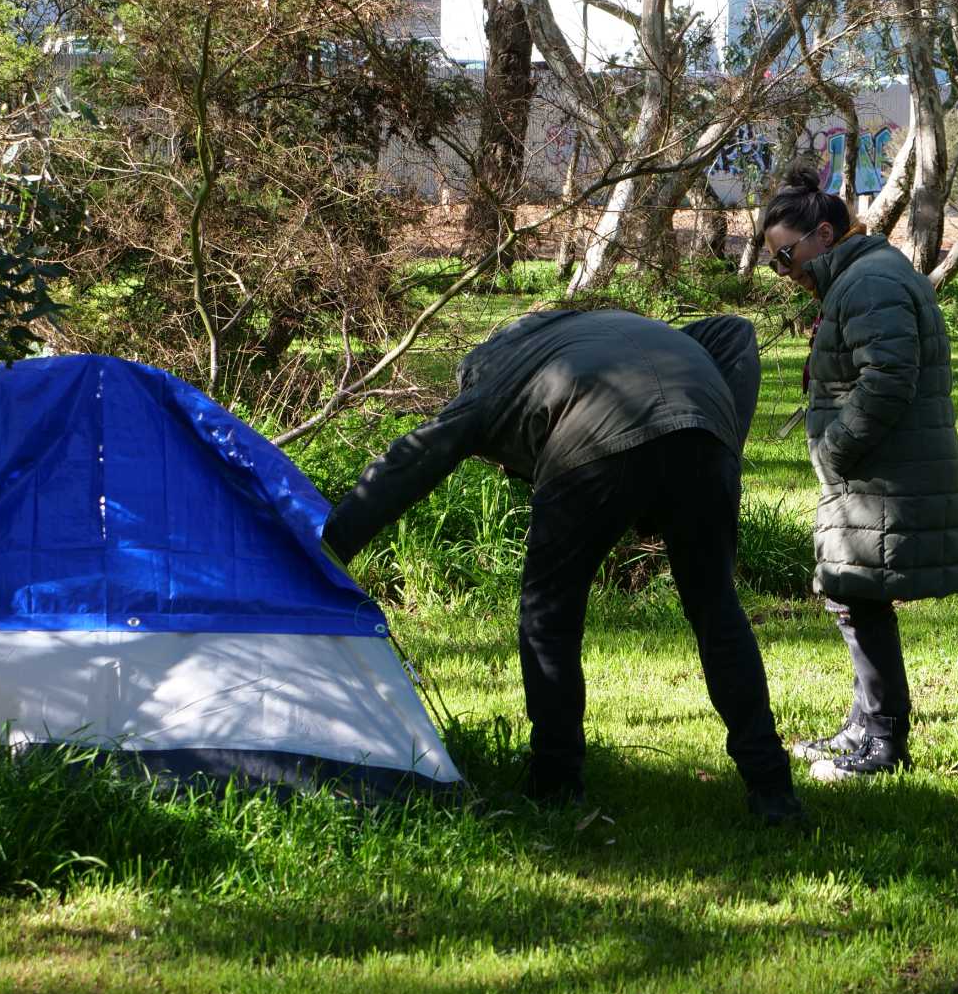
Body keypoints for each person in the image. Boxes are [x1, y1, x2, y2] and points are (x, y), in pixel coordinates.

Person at [322, 308, 803, 825]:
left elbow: (410, 461)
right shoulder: (591, 331)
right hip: (705, 429)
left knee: (548, 615)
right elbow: (734, 332)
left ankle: (556, 781)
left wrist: (326, 552)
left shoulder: (490, 379)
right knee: (717, 612)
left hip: (595, 438)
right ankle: (772, 789)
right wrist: (726, 435)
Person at [761, 170, 958, 780]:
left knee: (857, 595)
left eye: (785, 255)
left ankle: (883, 744)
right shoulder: (858, 277)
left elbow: (888, 378)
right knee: (852, 591)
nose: (784, 271)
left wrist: (832, 451)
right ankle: (863, 727)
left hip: (882, 470)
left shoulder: (870, 281)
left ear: (822, 235)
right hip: (876, 469)